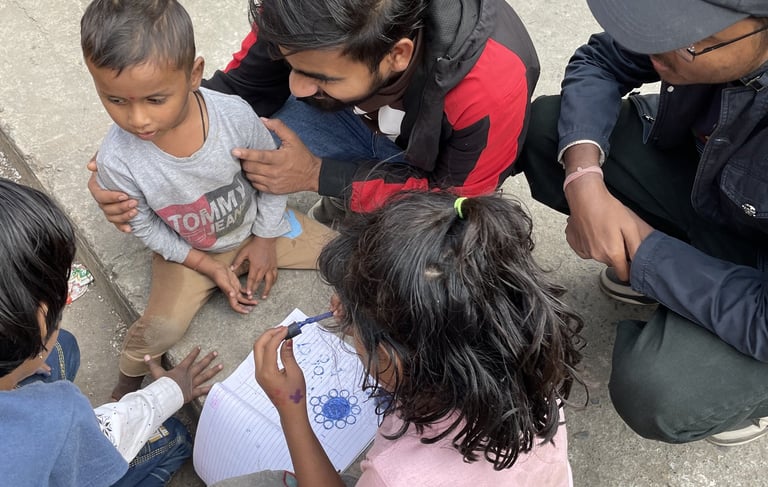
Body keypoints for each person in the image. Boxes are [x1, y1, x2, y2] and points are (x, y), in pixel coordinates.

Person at [518, 0, 768, 446]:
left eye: (689, 41)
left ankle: (745, 399)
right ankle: (671, 269)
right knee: (546, 129)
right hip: (713, 187)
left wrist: (644, 251)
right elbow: (600, 59)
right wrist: (583, 176)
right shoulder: (688, 38)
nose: (657, 50)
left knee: (659, 392)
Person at [212, 191, 584, 486]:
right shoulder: (526, 360)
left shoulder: (396, 476)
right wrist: (365, 317)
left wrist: (291, 408)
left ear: (391, 358)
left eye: (355, 329)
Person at [87, 0, 540, 228]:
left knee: (433, 251)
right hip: (379, 132)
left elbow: (455, 203)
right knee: (244, 125)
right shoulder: (296, 14)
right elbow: (239, 92)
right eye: (291, 64)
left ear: (398, 54)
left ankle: (356, 202)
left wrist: (317, 175)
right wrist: (135, 161)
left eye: (320, 76)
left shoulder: (490, 86)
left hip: (440, 177)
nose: (297, 88)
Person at [80, 0, 336, 400]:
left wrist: (265, 239)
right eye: (115, 100)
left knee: (340, 254)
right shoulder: (116, 159)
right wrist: (203, 264)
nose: (138, 119)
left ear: (194, 74)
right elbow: (144, 223)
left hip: (258, 224)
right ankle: (124, 389)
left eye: (155, 99)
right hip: (186, 252)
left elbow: (271, 176)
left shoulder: (234, 116)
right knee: (160, 329)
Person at [0, 177, 222, 487]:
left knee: (62, 347)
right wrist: (172, 390)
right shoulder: (56, 416)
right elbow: (113, 432)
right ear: (40, 320)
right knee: (174, 437)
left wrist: (22, 367)